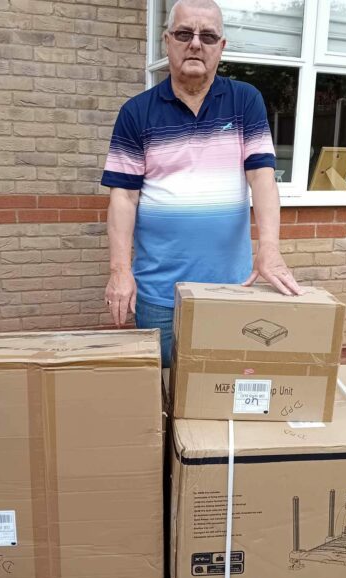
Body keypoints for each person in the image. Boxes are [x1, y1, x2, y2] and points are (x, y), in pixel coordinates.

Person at [101, 0, 301, 367]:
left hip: (231, 290)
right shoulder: (136, 112)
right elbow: (124, 197)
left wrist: (270, 248)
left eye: (208, 36)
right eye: (184, 34)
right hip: (160, 295)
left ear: (221, 47)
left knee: (223, 386)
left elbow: (262, 178)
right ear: (167, 41)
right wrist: (119, 271)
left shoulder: (245, 101)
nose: (195, 44)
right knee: (163, 388)